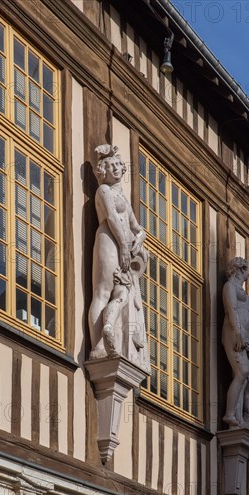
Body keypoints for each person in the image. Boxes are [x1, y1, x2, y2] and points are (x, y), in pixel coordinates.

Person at [88, 144, 148, 360]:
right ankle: (98, 347)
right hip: (108, 241)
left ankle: (109, 327)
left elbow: (137, 227)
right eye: (110, 165)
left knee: (121, 294)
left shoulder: (123, 198)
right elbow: (112, 217)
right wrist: (124, 244)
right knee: (102, 292)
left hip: (123, 248)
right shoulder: (103, 190)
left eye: (117, 165)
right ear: (103, 169)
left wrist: (138, 240)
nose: (115, 169)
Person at [222, 257, 249, 427]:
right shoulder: (230, 286)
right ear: (240, 269)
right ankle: (229, 414)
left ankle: (239, 419)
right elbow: (231, 309)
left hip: (245, 339)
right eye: (247, 269)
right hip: (234, 334)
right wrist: (238, 332)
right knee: (241, 372)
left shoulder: (242, 291)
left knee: (243, 376)